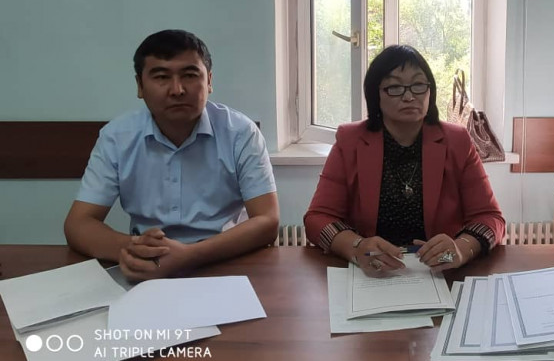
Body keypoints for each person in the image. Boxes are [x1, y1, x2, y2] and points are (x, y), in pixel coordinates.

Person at [64, 30, 280, 281]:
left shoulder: (240, 133)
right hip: (147, 265)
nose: (177, 90)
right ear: (140, 86)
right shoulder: (117, 137)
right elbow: (78, 224)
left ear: (209, 81)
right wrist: (135, 250)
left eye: (190, 75)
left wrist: (189, 255)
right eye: (161, 77)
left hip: (224, 259)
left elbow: (267, 220)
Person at [304, 45, 505, 276]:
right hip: (372, 274)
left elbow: (491, 218)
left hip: (437, 272)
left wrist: (461, 249)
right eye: (395, 87)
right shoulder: (350, 141)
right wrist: (357, 247)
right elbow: (317, 218)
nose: (409, 96)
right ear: (375, 94)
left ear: (430, 91)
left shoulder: (457, 141)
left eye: (418, 85)